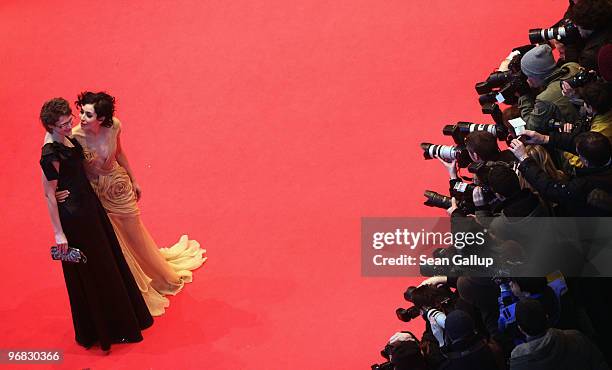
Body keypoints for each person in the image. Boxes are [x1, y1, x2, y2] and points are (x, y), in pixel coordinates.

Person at [56, 92, 206, 316]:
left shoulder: (114, 126)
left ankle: (157, 274)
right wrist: (57, 190)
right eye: (81, 112)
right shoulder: (75, 137)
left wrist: (134, 179)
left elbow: (119, 152)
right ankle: (132, 286)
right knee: (117, 241)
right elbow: (57, 160)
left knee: (134, 234)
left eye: (88, 114)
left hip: (120, 188)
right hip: (96, 194)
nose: (82, 118)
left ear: (102, 118)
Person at [39, 98, 153, 352]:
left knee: (108, 263)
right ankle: (105, 329)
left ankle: (124, 318)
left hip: (91, 208)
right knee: (96, 270)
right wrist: (59, 233)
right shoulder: (49, 153)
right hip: (76, 218)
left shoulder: (64, 139)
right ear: (50, 126)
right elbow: (49, 194)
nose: (71, 126)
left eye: (70, 120)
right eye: (64, 124)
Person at [509, 130, 612, 216]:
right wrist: (544, 138)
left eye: (578, 154)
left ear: (585, 161)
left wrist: (524, 159)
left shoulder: (584, 186)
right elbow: (577, 143)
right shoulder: (602, 151)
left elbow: (550, 188)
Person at [509, 299, 609, 370]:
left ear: (520, 329)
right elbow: (600, 364)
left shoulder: (517, 361)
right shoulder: (576, 336)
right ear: (547, 318)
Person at [518, 44, 581, 132]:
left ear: (538, 75)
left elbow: (531, 126)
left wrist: (524, 96)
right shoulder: (572, 67)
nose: (528, 79)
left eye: (529, 76)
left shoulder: (545, 98)